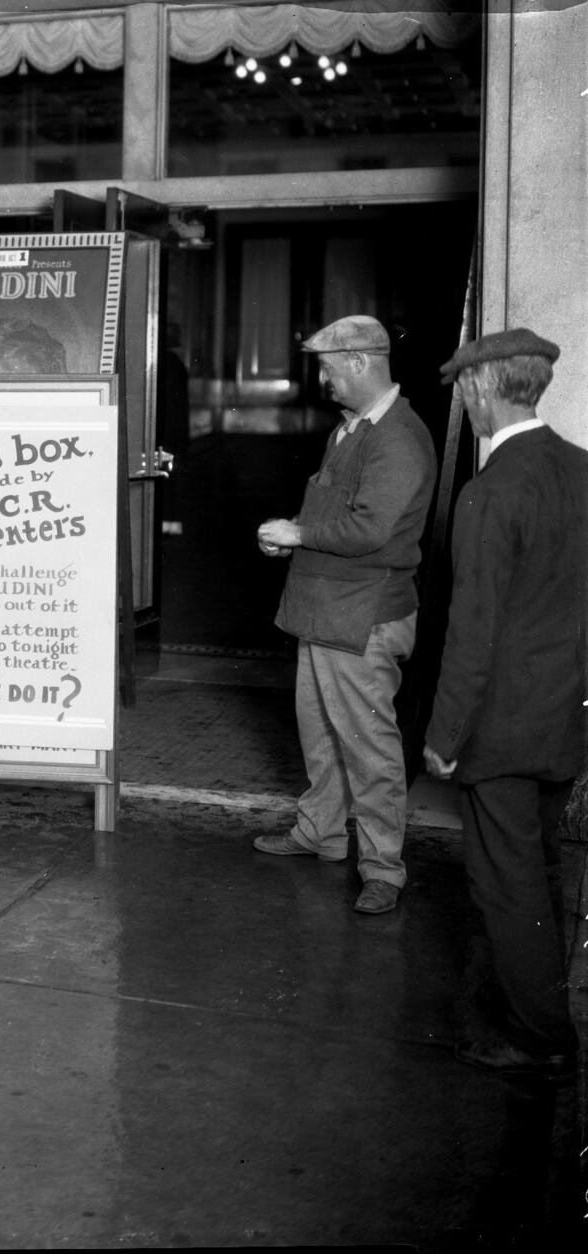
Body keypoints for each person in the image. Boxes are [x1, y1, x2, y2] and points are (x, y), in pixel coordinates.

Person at [421, 328, 586, 1081]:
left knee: (506, 886)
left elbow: (473, 631)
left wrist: (443, 735)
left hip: (502, 729)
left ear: (483, 388)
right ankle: (541, 1004)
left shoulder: (490, 492)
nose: (463, 398)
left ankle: (541, 1039)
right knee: (543, 871)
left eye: (462, 387)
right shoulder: (581, 471)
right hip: (565, 719)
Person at [253, 315, 436, 915]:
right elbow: (340, 518)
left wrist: (297, 532)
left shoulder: (397, 438)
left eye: (329, 367)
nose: (324, 380)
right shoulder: (353, 428)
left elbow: (371, 529)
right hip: (326, 611)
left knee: (368, 745)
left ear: (360, 361)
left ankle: (384, 866)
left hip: (362, 617)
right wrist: (294, 540)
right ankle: (320, 833)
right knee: (322, 733)